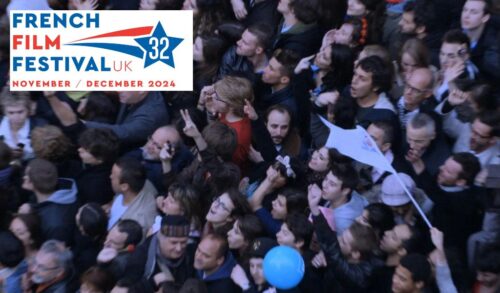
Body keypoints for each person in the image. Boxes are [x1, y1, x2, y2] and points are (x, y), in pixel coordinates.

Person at [308, 183, 380, 292]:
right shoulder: (344, 257)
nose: (338, 240)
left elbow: (332, 248)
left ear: (356, 254)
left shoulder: (357, 278)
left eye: (343, 242)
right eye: (341, 236)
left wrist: (315, 210)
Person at [120, 215, 196, 291]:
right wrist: (152, 282)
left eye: (183, 242)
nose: (179, 248)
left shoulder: (192, 252)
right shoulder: (140, 256)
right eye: (173, 243)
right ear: (160, 238)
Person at [19, 159, 78, 246]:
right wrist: (33, 207)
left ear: (33, 183)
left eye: (27, 175)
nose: (24, 177)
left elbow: (53, 253)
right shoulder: (60, 190)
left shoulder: (56, 225)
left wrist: (28, 217)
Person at [107, 157, 158, 235]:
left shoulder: (136, 224)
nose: (110, 177)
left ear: (124, 186)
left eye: (113, 176)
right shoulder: (137, 183)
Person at [461, 0, 500, 82]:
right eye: (465, 10)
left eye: (473, 12)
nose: (466, 15)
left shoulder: (491, 45)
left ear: (485, 18)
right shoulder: (454, 34)